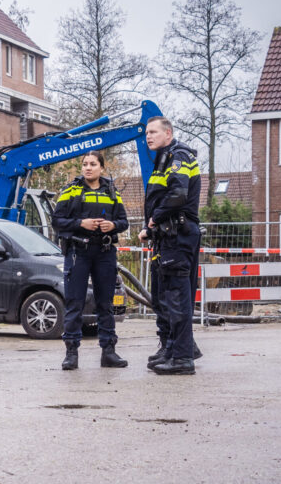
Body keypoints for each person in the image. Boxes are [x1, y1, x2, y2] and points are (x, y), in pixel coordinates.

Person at [52, 151, 129, 370]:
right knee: (74, 303)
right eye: (85, 164)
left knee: (105, 303)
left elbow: (124, 221)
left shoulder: (112, 192)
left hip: (104, 252)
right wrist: (80, 223)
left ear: (101, 168)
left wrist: (113, 226)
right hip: (78, 252)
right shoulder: (71, 191)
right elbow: (57, 221)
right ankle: (71, 353)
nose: (88, 168)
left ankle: (109, 352)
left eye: (93, 164)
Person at [138, 116, 201, 375]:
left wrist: (154, 219)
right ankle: (173, 348)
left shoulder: (179, 156)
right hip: (167, 237)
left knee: (176, 297)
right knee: (163, 297)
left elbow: (178, 195)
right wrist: (149, 227)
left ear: (168, 133)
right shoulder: (163, 159)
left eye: (153, 132)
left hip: (178, 236)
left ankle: (183, 358)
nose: (148, 137)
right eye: (146, 133)